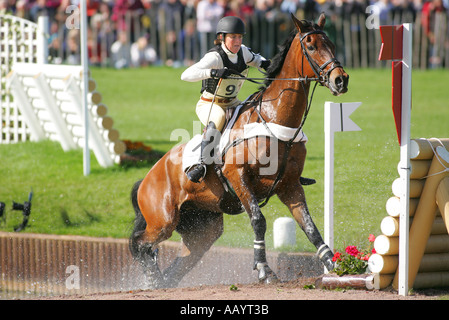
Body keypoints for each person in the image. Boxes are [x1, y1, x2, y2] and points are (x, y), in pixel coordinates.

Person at [181, 16, 271, 183]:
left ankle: (274, 165)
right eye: (233, 37)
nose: (237, 41)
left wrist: (267, 65)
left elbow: (258, 61)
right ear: (222, 37)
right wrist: (212, 72)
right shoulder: (215, 57)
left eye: (240, 37)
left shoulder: (243, 51)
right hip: (210, 104)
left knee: (257, 115)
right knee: (219, 118)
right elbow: (185, 75)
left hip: (233, 102)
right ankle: (202, 164)